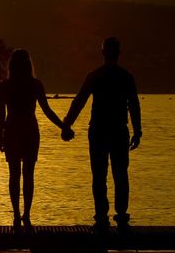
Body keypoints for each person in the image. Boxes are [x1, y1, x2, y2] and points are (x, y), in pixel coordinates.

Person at [61, 37, 141, 232]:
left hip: (98, 130)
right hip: (119, 130)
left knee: (99, 175)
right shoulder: (126, 77)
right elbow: (134, 105)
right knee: (120, 174)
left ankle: (102, 216)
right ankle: (121, 215)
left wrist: (66, 124)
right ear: (119, 53)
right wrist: (138, 131)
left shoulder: (95, 75)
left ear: (103, 53)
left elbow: (79, 101)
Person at [0, 49, 66, 230]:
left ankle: (16, 214)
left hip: (11, 129)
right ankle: (26, 214)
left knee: (14, 175)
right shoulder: (35, 84)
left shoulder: (4, 86)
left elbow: (1, 114)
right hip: (29, 130)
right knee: (28, 175)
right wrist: (64, 126)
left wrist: (0, 137)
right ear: (29, 65)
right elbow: (47, 110)